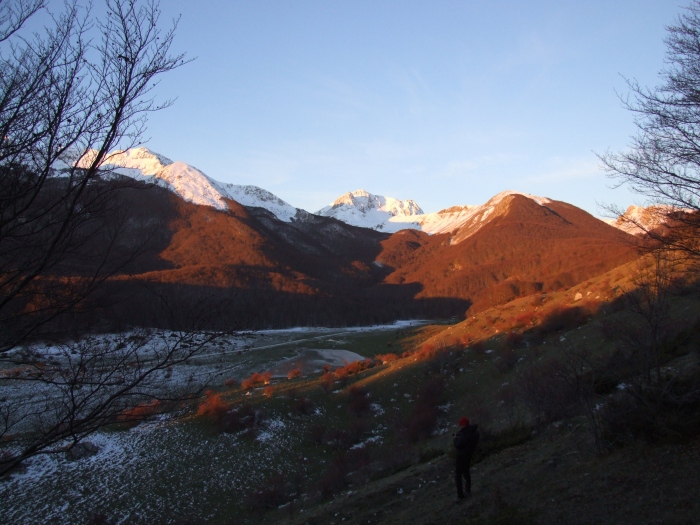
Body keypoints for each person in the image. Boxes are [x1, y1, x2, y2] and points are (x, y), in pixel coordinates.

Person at [453, 416, 479, 500]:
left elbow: (458, 445)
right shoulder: (474, 432)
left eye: (460, 425)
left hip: (461, 457)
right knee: (466, 472)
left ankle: (460, 495)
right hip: (469, 456)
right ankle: (468, 489)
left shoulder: (465, 435)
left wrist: (455, 439)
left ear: (463, 425)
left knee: (458, 476)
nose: (460, 427)